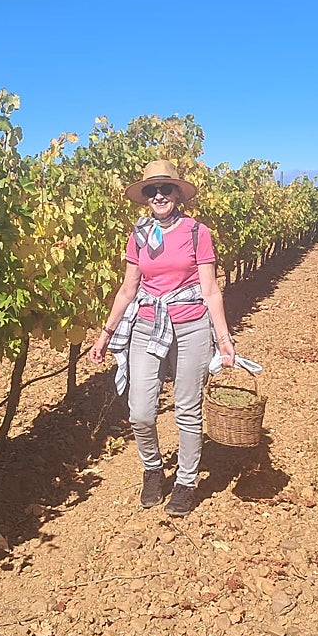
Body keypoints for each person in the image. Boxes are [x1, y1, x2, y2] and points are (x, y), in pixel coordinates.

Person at [89, 160, 237, 517]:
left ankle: (186, 482)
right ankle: (152, 469)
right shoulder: (139, 236)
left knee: (187, 408)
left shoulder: (197, 233)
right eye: (151, 190)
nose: (158, 195)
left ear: (177, 194)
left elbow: (210, 289)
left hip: (190, 326)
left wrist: (224, 338)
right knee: (140, 411)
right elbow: (128, 288)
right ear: (145, 197)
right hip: (147, 325)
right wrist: (106, 333)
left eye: (165, 189)